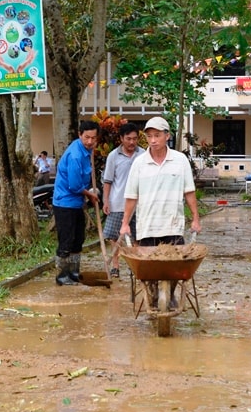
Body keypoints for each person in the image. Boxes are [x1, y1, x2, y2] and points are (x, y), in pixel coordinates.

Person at [118, 116, 201, 247]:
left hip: (173, 228)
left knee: (175, 266)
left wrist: (196, 219)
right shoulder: (139, 163)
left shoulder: (180, 160)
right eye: (149, 136)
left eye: (157, 135)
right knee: (149, 267)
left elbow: (189, 192)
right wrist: (125, 224)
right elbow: (131, 196)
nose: (153, 140)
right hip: (147, 229)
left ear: (167, 136)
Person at [52, 121, 100, 286]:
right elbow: (74, 185)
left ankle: (74, 272)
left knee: (78, 238)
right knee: (67, 239)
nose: (89, 141)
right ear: (80, 135)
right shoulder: (75, 155)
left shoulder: (88, 150)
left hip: (77, 202)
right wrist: (90, 194)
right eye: (86, 137)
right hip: (65, 203)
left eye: (93, 138)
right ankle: (62, 275)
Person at [101, 123, 145, 278]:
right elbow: (108, 181)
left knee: (138, 237)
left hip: (139, 205)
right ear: (121, 139)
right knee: (114, 236)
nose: (132, 142)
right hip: (118, 202)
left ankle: (137, 265)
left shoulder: (144, 155)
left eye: (134, 139)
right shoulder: (113, 156)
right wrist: (106, 201)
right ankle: (115, 266)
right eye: (128, 139)